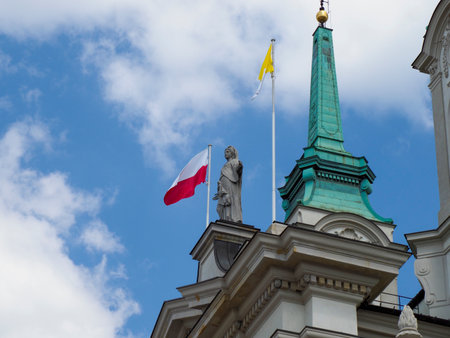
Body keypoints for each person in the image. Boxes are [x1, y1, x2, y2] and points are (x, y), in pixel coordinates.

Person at [213, 146, 243, 223]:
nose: (225, 154)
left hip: (230, 183)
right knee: (223, 202)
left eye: (227, 152)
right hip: (223, 186)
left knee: (231, 199)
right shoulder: (225, 165)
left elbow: (237, 169)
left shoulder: (234, 161)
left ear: (232, 153)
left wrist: (239, 167)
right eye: (225, 152)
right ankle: (225, 217)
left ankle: (233, 218)